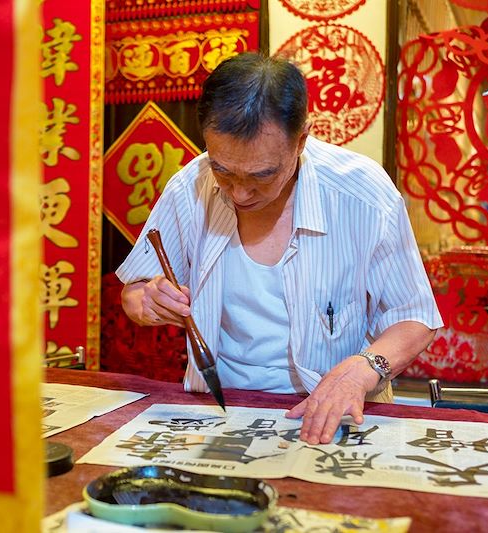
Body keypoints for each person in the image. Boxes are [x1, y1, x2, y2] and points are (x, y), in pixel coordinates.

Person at [116, 52, 443, 444]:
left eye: (261, 175)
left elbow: (415, 318)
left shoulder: (363, 194)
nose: (239, 192)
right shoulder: (191, 186)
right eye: (223, 169)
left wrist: (363, 369)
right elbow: (133, 292)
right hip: (220, 414)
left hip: (332, 413)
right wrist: (148, 302)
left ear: (301, 140)